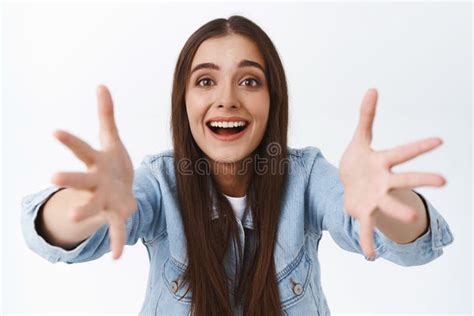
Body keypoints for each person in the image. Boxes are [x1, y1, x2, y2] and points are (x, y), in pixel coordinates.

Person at [21, 15, 454, 316]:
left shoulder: (306, 178)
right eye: (205, 80)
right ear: (184, 102)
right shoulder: (160, 182)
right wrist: (90, 204)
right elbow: (49, 237)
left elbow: (413, 246)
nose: (227, 98)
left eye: (249, 80)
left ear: (272, 102)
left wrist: (381, 204)